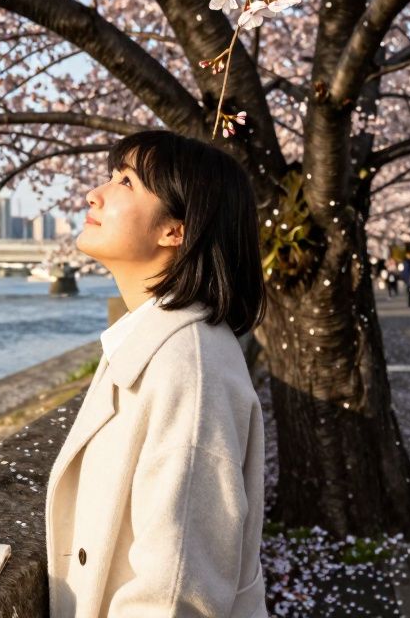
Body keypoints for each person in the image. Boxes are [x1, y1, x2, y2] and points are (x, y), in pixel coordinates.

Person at [48, 130, 268, 617]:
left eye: (125, 182)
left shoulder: (189, 369)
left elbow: (175, 595)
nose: (95, 193)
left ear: (176, 230)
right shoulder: (166, 345)